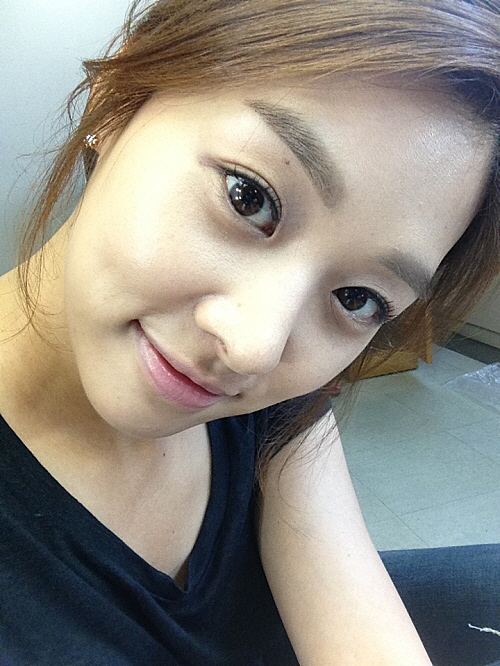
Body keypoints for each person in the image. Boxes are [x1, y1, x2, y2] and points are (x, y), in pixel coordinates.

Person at [0, 0, 499, 663]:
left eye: (356, 298)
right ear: (116, 102)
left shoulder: (276, 414)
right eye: (249, 197)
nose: (255, 347)